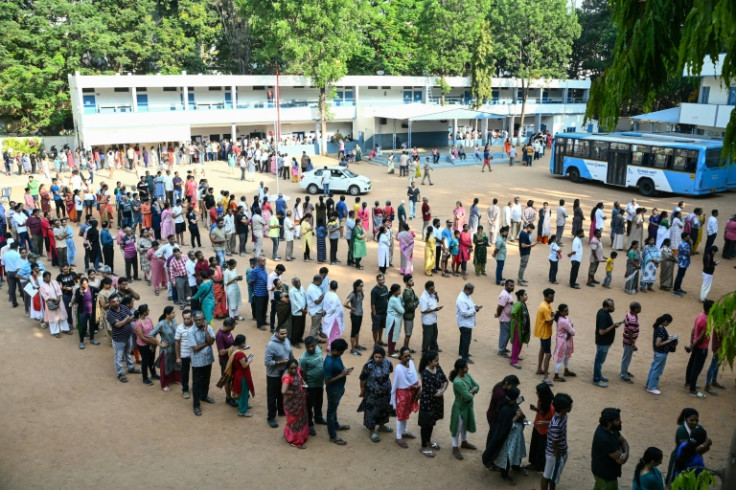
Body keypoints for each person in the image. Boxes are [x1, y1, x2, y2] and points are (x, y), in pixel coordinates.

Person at [482, 386, 527, 484]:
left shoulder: (512, 404)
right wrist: (516, 417)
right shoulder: (505, 409)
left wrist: (522, 419)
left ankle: (516, 467)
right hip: (508, 438)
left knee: (516, 452)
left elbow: (517, 410)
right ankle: (504, 474)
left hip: (516, 437)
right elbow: (505, 426)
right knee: (508, 455)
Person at [665, 408, 712, 485]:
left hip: (688, 455)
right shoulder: (681, 430)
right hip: (679, 456)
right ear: (685, 419)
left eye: (696, 420)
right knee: (673, 479)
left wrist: (702, 446)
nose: (694, 422)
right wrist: (704, 445)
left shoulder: (699, 428)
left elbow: (706, 442)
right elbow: (690, 448)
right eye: (691, 420)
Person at [358, 345, 393, 442]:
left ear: (383, 357)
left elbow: (389, 372)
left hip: (385, 393)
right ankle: (372, 430)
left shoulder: (388, 362)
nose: (377, 359)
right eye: (376, 357)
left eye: (380, 357)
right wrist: (362, 390)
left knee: (384, 409)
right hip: (372, 393)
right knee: (371, 411)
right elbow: (362, 378)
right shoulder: (369, 365)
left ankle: (382, 426)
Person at [418, 350, 447, 457]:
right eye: (435, 361)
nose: (438, 362)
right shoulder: (425, 374)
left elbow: (445, 381)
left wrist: (442, 390)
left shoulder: (437, 368)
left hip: (435, 403)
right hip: (427, 403)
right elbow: (433, 392)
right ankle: (423, 446)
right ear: (429, 362)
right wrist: (440, 390)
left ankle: (428, 442)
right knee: (426, 425)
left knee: (431, 423)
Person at [542, 393, 574, 490]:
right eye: (569, 406)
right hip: (554, 455)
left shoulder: (563, 416)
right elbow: (554, 443)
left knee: (553, 477)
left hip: (559, 452)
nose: (571, 407)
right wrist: (558, 457)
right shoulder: (557, 424)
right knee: (548, 476)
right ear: (564, 408)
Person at [591, 408, 630, 489]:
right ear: (609, 422)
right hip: (605, 477)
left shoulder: (610, 428)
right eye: (617, 420)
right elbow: (620, 458)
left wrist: (625, 453)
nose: (620, 421)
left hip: (601, 472)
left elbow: (623, 441)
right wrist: (624, 455)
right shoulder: (604, 439)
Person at [391, 346, 421, 448]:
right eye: (405, 356)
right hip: (402, 393)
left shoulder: (411, 363)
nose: (408, 358)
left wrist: (416, 387)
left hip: (410, 392)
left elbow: (414, 376)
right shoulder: (399, 368)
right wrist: (415, 386)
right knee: (400, 414)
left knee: (406, 412)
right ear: (401, 356)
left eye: (409, 356)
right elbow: (404, 382)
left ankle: (404, 431)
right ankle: (398, 437)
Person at [449, 359, 479, 461]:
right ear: (460, 369)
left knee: (464, 425)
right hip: (460, 408)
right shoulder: (457, 382)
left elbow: (477, 386)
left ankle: (464, 442)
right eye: (465, 367)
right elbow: (468, 397)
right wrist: (472, 391)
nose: (467, 368)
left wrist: (471, 391)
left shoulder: (467, 376)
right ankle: (455, 447)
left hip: (466, 406)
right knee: (457, 428)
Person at [324, 338, 351, 445]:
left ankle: (335, 425)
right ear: (334, 350)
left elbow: (340, 366)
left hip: (339, 389)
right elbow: (327, 381)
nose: (342, 354)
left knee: (334, 409)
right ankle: (333, 436)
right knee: (331, 412)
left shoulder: (336, 356)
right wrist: (341, 375)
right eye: (341, 352)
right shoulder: (329, 362)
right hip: (333, 390)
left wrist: (344, 370)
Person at [188, 311, 216, 416]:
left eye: (200, 319)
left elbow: (212, 341)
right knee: (196, 383)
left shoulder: (208, 328)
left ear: (203, 319)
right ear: (194, 320)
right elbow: (195, 348)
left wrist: (206, 331)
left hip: (208, 359)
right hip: (197, 361)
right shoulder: (191, 331)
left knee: (206, 379)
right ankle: (196, 405)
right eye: (196, 320)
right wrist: (206, 343)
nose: (198, 322)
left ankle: (204, 396)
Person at [264, 325, 293, 428]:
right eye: (282, 333)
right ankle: (271, 417)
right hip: (273, 375)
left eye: (285, 333)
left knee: (282, 394)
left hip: (284, 374)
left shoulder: (287, 341)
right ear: (276, 333)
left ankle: (281, 411)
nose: (284, 335)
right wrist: (280, 362)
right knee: (272, 397)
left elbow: (290, 353)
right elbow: (267, 362)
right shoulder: (271, 345)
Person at [148, 306, 181, 391]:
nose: (174, 314)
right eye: (173, 313)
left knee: (175, 364)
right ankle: (164, 384)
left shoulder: (173, 321)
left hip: (175, 349)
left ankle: (175, 379)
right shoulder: (161, 324)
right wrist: (159, 344)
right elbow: (151, 334)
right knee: (165, 367)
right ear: (167, 315)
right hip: (166, 350)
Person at [685, 300, 713, 399]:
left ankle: (688, 382)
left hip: (696, 344)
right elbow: (702, 337)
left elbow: (693, 331)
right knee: (696, 368)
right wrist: (693, 346)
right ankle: (692, 390)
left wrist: (692, 343)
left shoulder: (700, 315)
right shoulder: (707, 320)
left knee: (691, 364)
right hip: (701, 347)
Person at [593, 299, 623, 388]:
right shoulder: (603, 315)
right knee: (599, 361)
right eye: (611, 307)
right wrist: (613, 326)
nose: (613, 308)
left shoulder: (602, 312)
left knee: (600, 361)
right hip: (603, 342)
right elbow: (601, 332)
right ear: (606, 307)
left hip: (604, 342)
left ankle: (599, 375)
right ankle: (597, 379)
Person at [299, 336, 325, 435]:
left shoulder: (318, 349)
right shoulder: (304, 359)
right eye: (308, 347)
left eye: (312, 346)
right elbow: (302, 374)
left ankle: (318, 418)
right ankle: (310, 424)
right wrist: (306, 386)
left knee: (319, 402)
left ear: (315, 344)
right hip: (311, 385)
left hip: (320, 383)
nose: (310, 348)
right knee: (309, 405)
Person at [645, 314, 675, 395]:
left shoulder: (658, 327)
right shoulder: (661, 330)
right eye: (668, 323)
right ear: (665, 321)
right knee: (657, 370)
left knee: (654, 368)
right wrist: (669, 340)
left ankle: (649, 383)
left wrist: (668, 337)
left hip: (658, 352)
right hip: (661, 352)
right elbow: (658, 343)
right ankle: (651, 387)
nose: (668, 324)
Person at [281, 359, 309, 449]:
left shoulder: (297, 370)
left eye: (295, 368)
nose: (293, 370)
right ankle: (295, 441)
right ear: (287, 368)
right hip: (292, 405)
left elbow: (300, 377)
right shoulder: (287, 377)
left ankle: (300, 436)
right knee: (295, 422)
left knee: (301, 420)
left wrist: (303, 384)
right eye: (291, 369)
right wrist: (293, 393)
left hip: (300, 403)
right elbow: (283, 391)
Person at [528, 383, 555, 472]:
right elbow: (541, 411)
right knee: (535, 447)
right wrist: (536, 409)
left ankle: (539, 466)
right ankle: (533, 464)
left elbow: (555, 422)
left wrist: (544, 422)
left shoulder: (552, 407)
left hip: (544, 432)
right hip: (537, 427)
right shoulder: (541, 401)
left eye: (538, 392)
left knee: (541, 450)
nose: (536, 393)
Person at [38, 271, 70, 338]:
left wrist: (58, 299)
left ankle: (65, 329)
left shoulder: (54, 282)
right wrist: (53, 300)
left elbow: (59, 291)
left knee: (62, 315)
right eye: (47, 277)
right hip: (50, 303)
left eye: (49, 277)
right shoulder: (42, 286)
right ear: (43, 278)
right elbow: (45, 296)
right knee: (53, 317)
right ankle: (55, 331)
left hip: (59, 301)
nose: (48, 278)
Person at [534, 288, 556, 386]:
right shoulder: (545, 308)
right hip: (545, 333)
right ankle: (545, 377)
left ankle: (539, 369)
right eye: (551, 297)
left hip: (543, 332)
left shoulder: (546, 305)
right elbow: (550, 321)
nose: (553, 298)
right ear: (546, 296)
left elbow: (552, 313)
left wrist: (553, 316)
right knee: (548, 355)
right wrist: (554, 317)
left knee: (542, 350)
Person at [456, 283, 480, 363]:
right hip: (464, 323)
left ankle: (461, 351)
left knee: (463, 337)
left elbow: (469, 304)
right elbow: (464, 313)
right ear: (466, 290)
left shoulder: (466, 295)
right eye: (471, 290)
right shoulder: (462, 299)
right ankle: (465, 357)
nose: (472, 292)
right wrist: (474, 310)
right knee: (466, 340)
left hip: (466, 322)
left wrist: (474, 306)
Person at [552, 304, 576, 383]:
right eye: (565, 311)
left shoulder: (561, 318)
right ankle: (556, 376)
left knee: (565, 357)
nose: (567, 312)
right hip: (563, 342)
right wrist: (571, 327)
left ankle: (566, 370)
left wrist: (571, 327)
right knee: (561, 358)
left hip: (563, 340)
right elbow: (573, 332)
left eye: (567, 310)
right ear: (561, 312)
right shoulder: (564, 321)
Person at [619, 301, 641, 384]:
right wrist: (632, 343)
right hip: (629, 341)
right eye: (639, 308)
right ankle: (623, 375)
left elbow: (625, 322)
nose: (640, 309)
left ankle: (624, 370)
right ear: (636, 309)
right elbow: (631, 332)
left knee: (626, 357)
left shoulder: (629, 314)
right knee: (626, 358)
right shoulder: (633, 318)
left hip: (626, 340)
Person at [509, 289, 530, 369]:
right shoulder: (519, 304)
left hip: (521, 326)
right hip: (518, 327)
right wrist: (516, 319)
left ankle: (515, 355)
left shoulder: (522, 303)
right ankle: (514, 360)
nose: (526, 296)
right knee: (517, 343)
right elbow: (513, 312)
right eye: (525, 295)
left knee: (519, 342)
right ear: (521, 296)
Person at [419, 280, 442, 353]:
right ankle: (425, 350)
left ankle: (434, 348)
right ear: (427, 289)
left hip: (433, 318)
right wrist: (434, 309)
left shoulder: (432, 293)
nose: (433, 290)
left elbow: (437, 300)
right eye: (431, 289)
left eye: (434, 288)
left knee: (435, 333)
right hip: (427, 320)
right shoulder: (423, 298)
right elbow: (423, 310)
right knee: (427, 336)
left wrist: (436, 295)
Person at [344, 279, 365, 356]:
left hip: (360, 314)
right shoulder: (353, 294)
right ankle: (353, 349)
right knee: (353, 332)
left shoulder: (361, 293)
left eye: (362, 286)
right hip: (355, 315)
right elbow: (345, 303)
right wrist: (351, 308)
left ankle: (357, 345)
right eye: (360, 286)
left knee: (357, 330)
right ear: (356, 286)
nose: (362, 287)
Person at [322, 280, 344, 349]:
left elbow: (325, 304)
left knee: (330, 332)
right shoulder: (335, 296)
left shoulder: (327, 294)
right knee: (335, 332)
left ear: (330, 287)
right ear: (336, 287)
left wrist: (326, 312)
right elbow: (333, 308)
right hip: (334, 317)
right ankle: (332, 347)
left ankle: (330, 345)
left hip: (328, 316)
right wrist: (328, 313)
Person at [385, 283, 404, 357]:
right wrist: (402, 306)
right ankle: (391, 352)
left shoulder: (398, 296)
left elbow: (403, 302)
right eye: (399, 290)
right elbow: (402, 310)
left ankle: (392, 348)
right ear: (395, 291)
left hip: (396, 319)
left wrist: (402, 305)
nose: (400, 291)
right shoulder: (393, 300)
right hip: (393, 319)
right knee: (392, 335)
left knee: (395, 334)